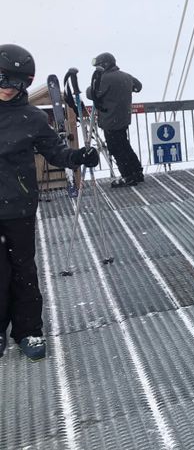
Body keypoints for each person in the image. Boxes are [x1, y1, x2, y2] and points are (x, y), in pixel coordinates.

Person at [0, 44, 99, 361]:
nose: (8, 88)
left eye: (18, 83)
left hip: (17, 207)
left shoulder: (31, 118)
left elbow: (56, 152)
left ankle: (28, 331)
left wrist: (79, 157)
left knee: (22, 270)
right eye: (3, 80)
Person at [86, 52, 144, 188]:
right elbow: (138, 86)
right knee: (125, 146)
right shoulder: (126, 76)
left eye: (98, 66)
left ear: (104, 64)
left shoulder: (104, 79)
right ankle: (137, 172)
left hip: (110, 120)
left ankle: (127, 176)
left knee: (116, 149)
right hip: (123, 119)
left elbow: (91, 93)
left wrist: (94, 82)